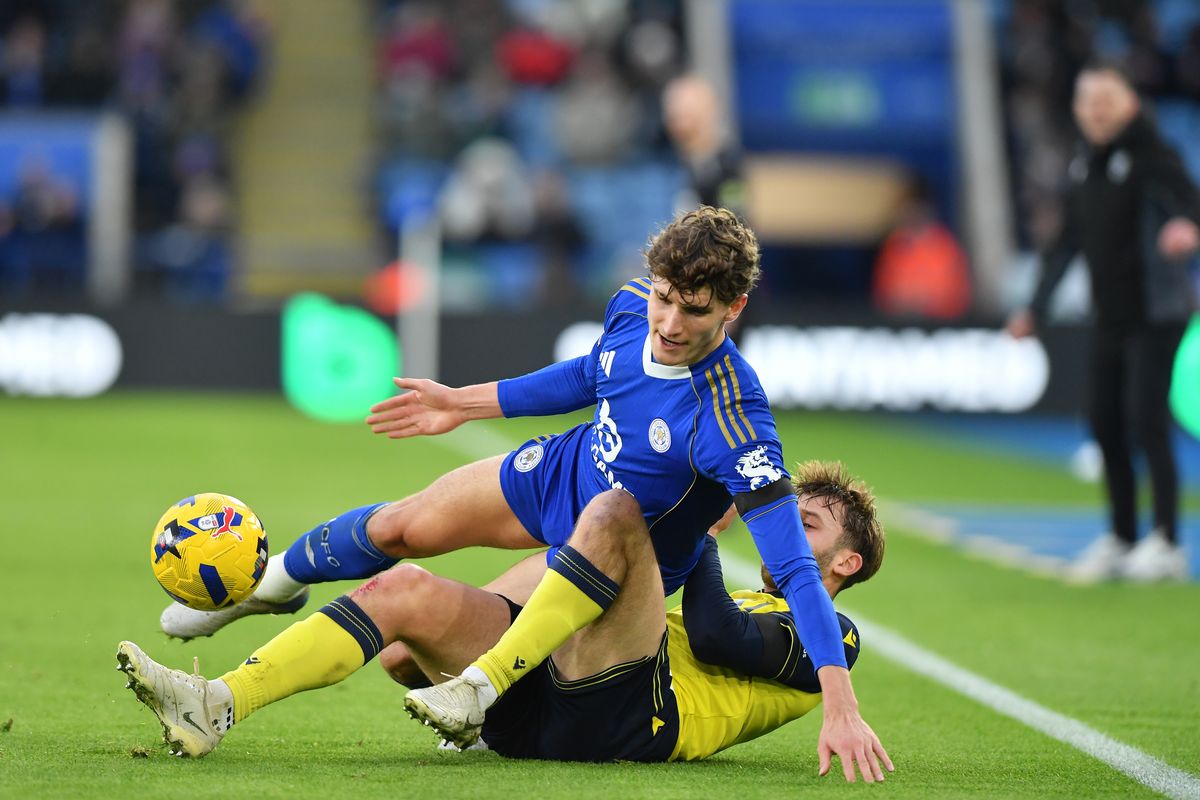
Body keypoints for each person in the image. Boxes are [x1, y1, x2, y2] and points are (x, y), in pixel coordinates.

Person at [160, 206, 886, 771]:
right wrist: (461, 403)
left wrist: (840, 702)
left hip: (615, 565)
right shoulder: (633, 304)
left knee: (601, 520)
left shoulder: (736, 420)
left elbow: (791, 568)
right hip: (570, 469)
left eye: (693, 310)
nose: (668, 322)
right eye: (665, 298)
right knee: (404, 538)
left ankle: (481, 690)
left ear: (734, 309)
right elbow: (589, 374)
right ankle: (248, 629)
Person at [117, 461, 891, 781]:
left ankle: (480, 684)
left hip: (631, 721)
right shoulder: (739, 590)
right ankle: (215, 703)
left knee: (620, 509)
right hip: (554, 699)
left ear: (845, 564)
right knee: (404, 592)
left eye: (811, 522)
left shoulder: (836, 637)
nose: (788, 523)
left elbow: (719, 637)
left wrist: (700, 534)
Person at [1006, 60, 1200, 583]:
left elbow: (1190, 203)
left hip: (1157, 313)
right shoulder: (1083, 166)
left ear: (1129, 104)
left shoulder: (1155, 155)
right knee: (1104, 423)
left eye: (1106, 98)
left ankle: (1166, 542)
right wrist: (1036, 308)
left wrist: (1186, 226)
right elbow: (1066, 243)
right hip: (1110, 316)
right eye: (1087, 99)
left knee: (1146, 423)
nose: (1096, 109)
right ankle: (1122, 535)